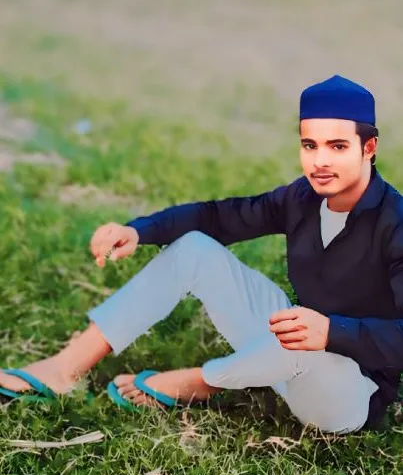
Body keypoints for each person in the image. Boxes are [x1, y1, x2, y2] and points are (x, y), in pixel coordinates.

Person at [1, 74, 402, 433]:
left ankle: (201, 381)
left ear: (369, 147)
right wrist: (139, 231)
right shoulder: (303, 197)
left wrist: (333, 332)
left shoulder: (395, 222)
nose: (320, 161)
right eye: (309, 145)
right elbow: (221, 217)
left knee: (301, 336)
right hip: (289, 353)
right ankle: (64, 368)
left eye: (337, 146)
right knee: (195, 248)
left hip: (349, 393)